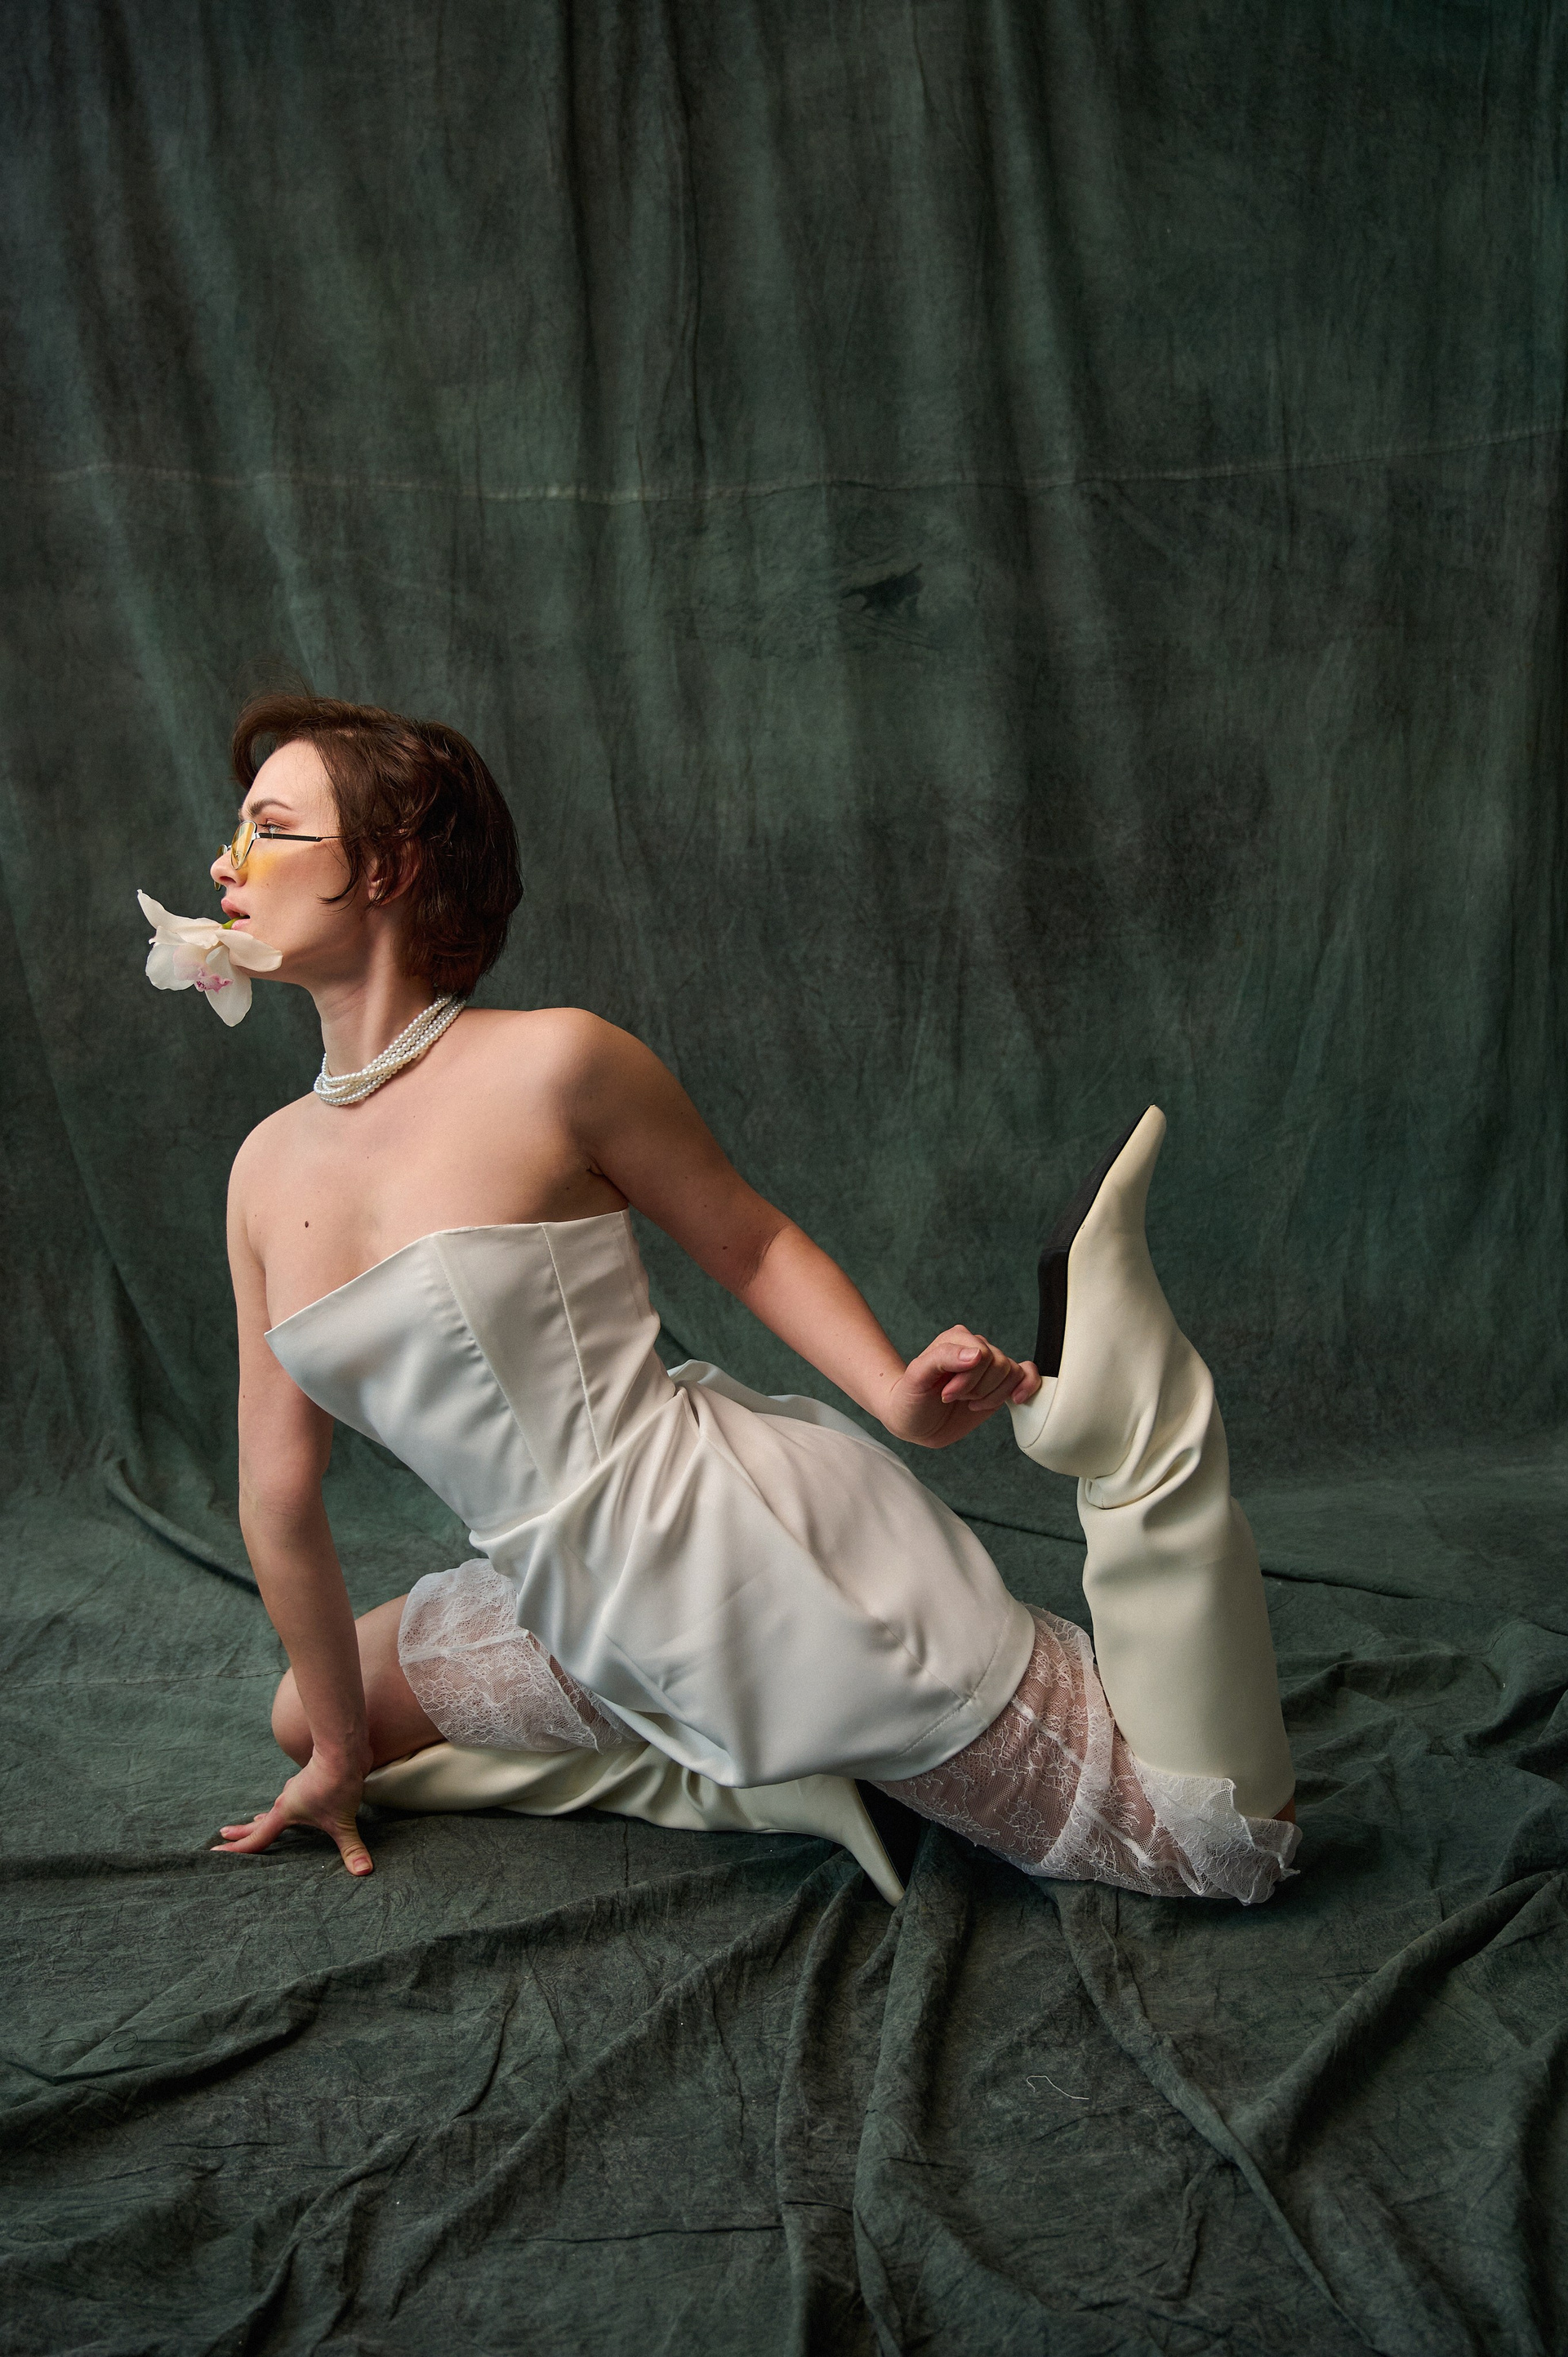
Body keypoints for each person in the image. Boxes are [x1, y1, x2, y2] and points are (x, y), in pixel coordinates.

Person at [189, 693, 1298, 1909]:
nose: (224, 864)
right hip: (563, 1608)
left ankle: (1135, 1431)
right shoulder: (261, 1170)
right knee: (311, 1714)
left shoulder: (556, 1063)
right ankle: (751, 1769)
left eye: (268, 829)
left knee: (1212, 1842)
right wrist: (338, 1760)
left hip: (733, 1564)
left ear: (388, 866)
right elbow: (276, 1498)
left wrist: (896, 1398)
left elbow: (752, 1241)